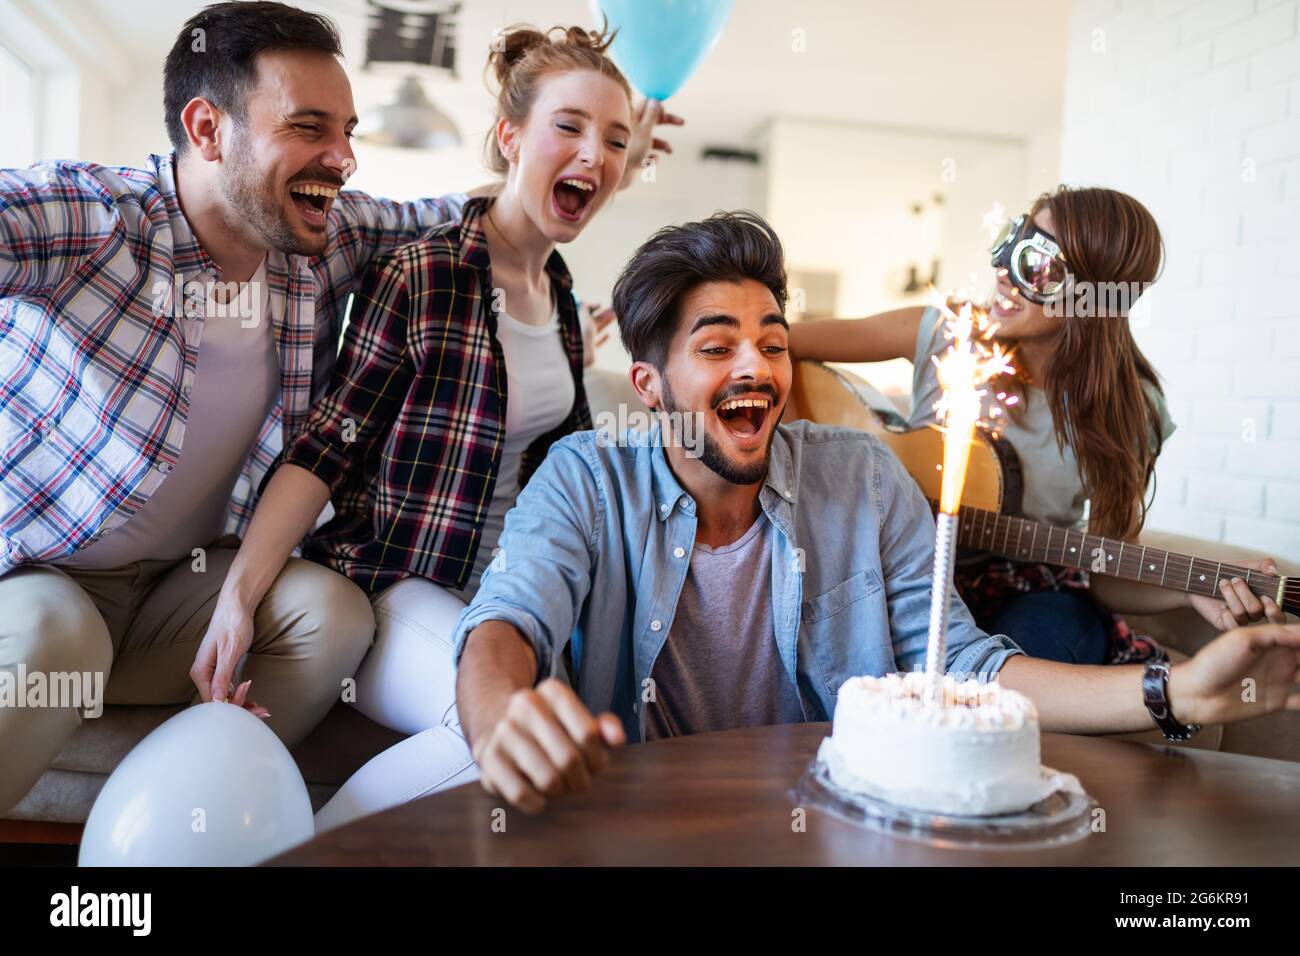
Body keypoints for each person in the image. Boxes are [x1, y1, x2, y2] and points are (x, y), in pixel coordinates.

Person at [0, 1, 674, 817]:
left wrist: (601, 159)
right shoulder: (93, 219)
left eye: (348, 130)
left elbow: (483, 217)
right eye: (310, 127)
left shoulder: (319, 237)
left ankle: (209, 808)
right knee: (52, 641)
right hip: (53, 573)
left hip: (187, 582)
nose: (345, 158)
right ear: (208, 129)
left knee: (328, 617)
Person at [451, 210, 1300, 814]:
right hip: (640, 814)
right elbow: (511, 615)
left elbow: (963, 663)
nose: (756, 365)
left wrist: (1177, 688)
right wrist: (495, 713)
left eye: (773, 344)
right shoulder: (585, 474)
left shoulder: (859, 479)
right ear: (648, 387)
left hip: (838, 808)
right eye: (715, 347)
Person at [207, 23, 660, 831]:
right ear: (509, 137)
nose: (594, 153)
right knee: (489, 729)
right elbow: (325, 446)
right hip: (395, 588)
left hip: (503, 598)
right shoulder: (425, 271)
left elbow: (569, 476)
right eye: (569, 127)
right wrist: (240, 597)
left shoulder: (558, 294)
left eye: (615, 141)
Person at [788, 186, 1285, 665]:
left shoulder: (1133, 410)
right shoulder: (947, 332)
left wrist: (1187, 588)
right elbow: (775, 346)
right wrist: (792, 456)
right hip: (911, 582)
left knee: (1020, 663)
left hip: (1034, 594)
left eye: (1036, 264)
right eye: (1012, 242)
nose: (1004, 273)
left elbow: (1107, 570)